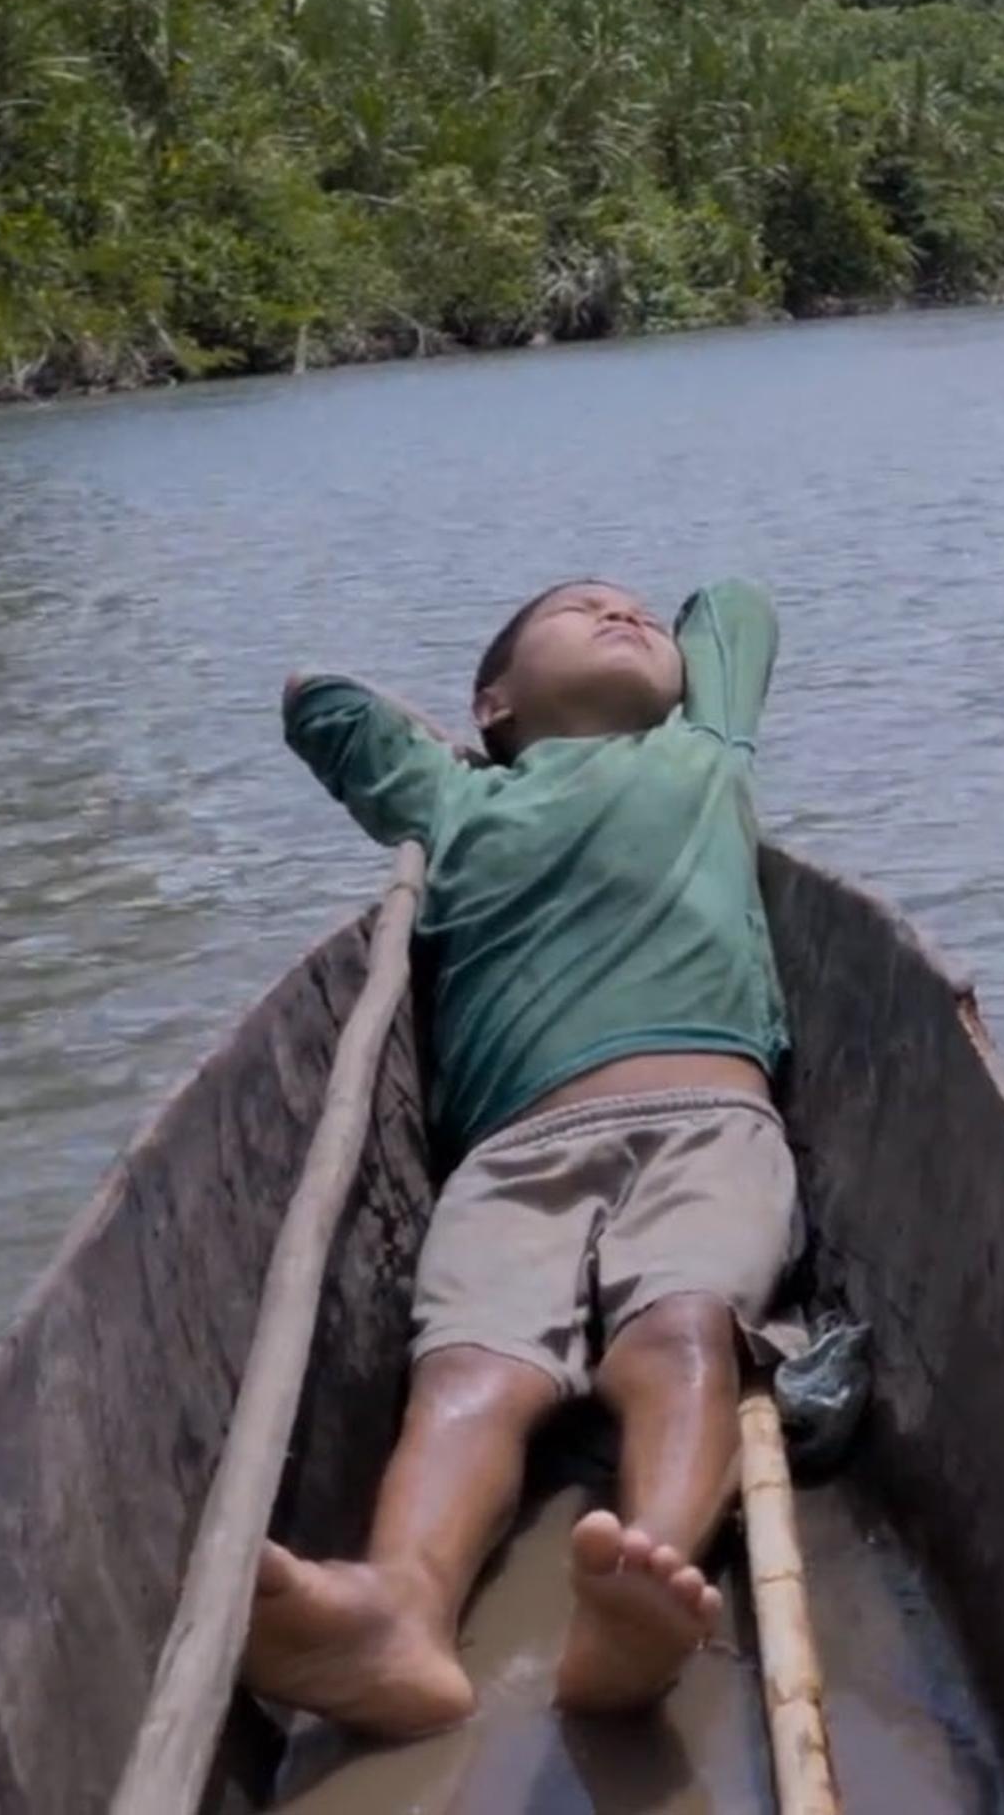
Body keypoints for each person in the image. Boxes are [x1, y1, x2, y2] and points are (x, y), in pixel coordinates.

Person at [243, 578, 794, 1738]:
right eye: (580, 607)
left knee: (683, 1327)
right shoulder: (455, 799)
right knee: (470, 1374)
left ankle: (645, 1582)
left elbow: (733, 607)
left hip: (705, 1116)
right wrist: (455, 749)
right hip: (512, 1155)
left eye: (637, 608)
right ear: (493, 699)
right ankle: (400, 1612)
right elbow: (318, 707)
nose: (621, 612)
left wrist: (650, 647)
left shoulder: (701, 750)